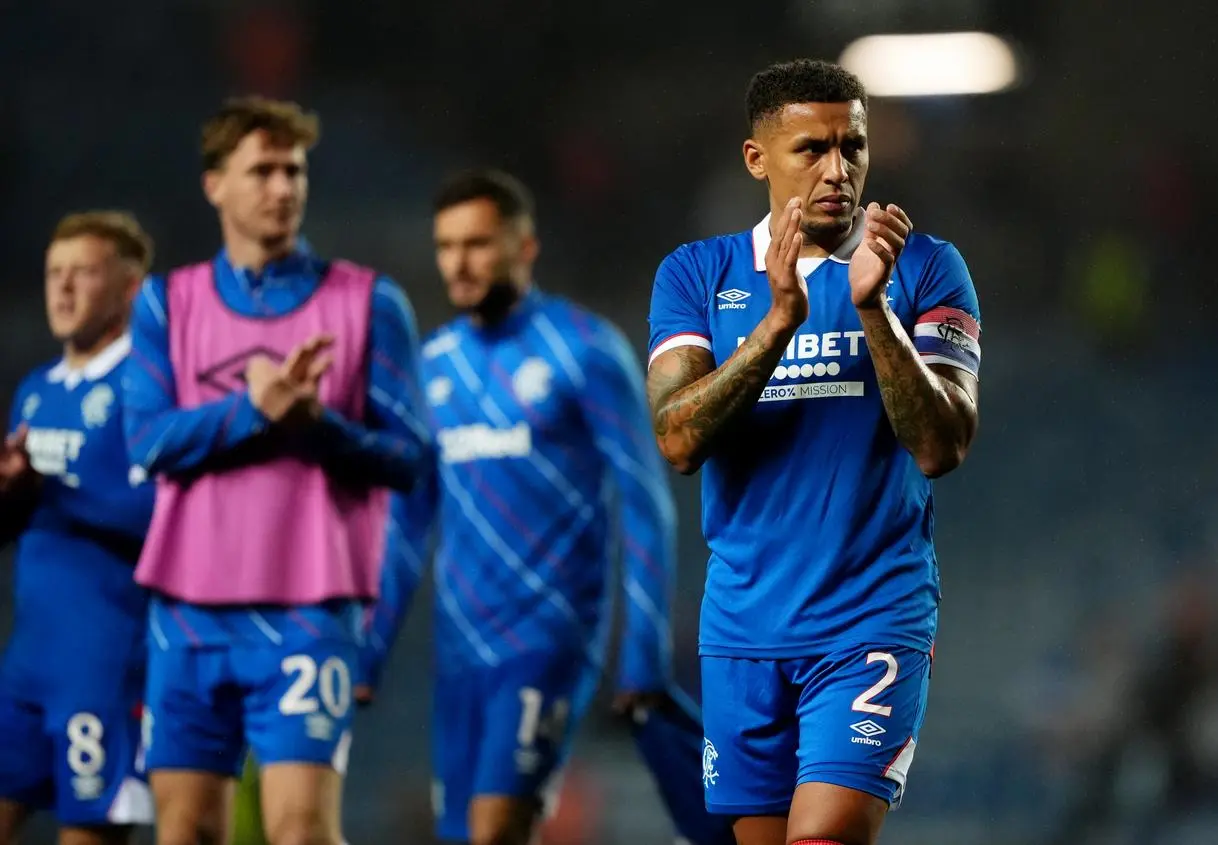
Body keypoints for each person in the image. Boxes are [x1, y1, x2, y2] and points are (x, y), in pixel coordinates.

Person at [645, 59, 983, 845]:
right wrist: (777, 322)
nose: (839, 169)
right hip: (743, 628)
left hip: (871, 618)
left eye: (853, 146)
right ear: (757, 159)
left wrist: (874, 309)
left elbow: (942, 445)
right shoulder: (698, 275)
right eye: (813, 149)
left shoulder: (925, 267)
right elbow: (678, 437)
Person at [122, 96, 428, 845]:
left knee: (300, 830)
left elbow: (409, 458)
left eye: (294, 170)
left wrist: (312, 424)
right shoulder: (167, 303)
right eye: (262, 170)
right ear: (215, 184)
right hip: (187, 614)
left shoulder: (368, 302)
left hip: (306, 611)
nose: (283, 187)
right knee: (185, 829)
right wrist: (255, 411)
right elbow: (147, 442)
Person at [356, 169, 676, 845]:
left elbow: (645, 502)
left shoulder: (585, 350)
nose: (459, 262)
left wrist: (643, 652)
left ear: (524, 246)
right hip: (461, 645)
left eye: (477, 243)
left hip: (550, 637)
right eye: (446, 246)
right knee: (460, 832)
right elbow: (409, 519)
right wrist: (372, 646)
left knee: (497, 826)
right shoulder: (433, 364)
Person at [0, 211, 157, 845]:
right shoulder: (37, 390)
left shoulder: (148, 386)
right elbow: (23, 521)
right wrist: (11, 494)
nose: (61, 290)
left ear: (130, 289)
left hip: (106, 662)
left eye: (83, 274)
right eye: (53, 274)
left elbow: (162, 516)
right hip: (28, 660)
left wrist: (56, 491)